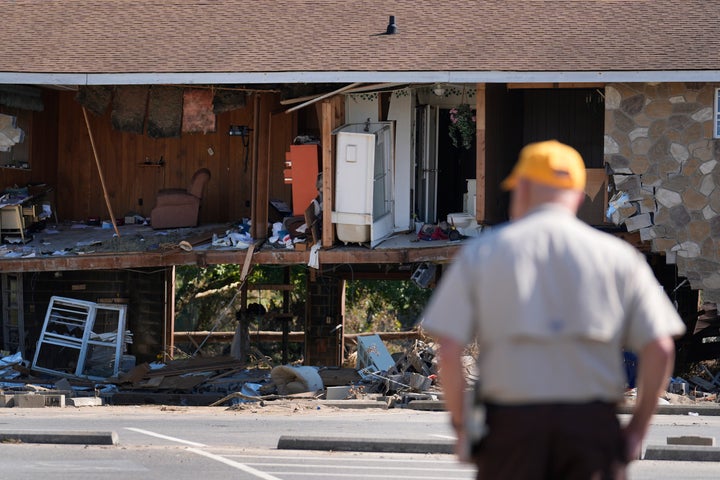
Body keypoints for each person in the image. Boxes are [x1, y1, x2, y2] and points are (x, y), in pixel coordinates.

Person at [419, 140, 686, 479]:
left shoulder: (482, 254)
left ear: (524, 188)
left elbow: (449, 350)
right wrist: (636, 430)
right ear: (576, 195)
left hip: (512, 430)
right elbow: (660, 347)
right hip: (590, 433)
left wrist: (462, 428)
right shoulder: (619, 258)